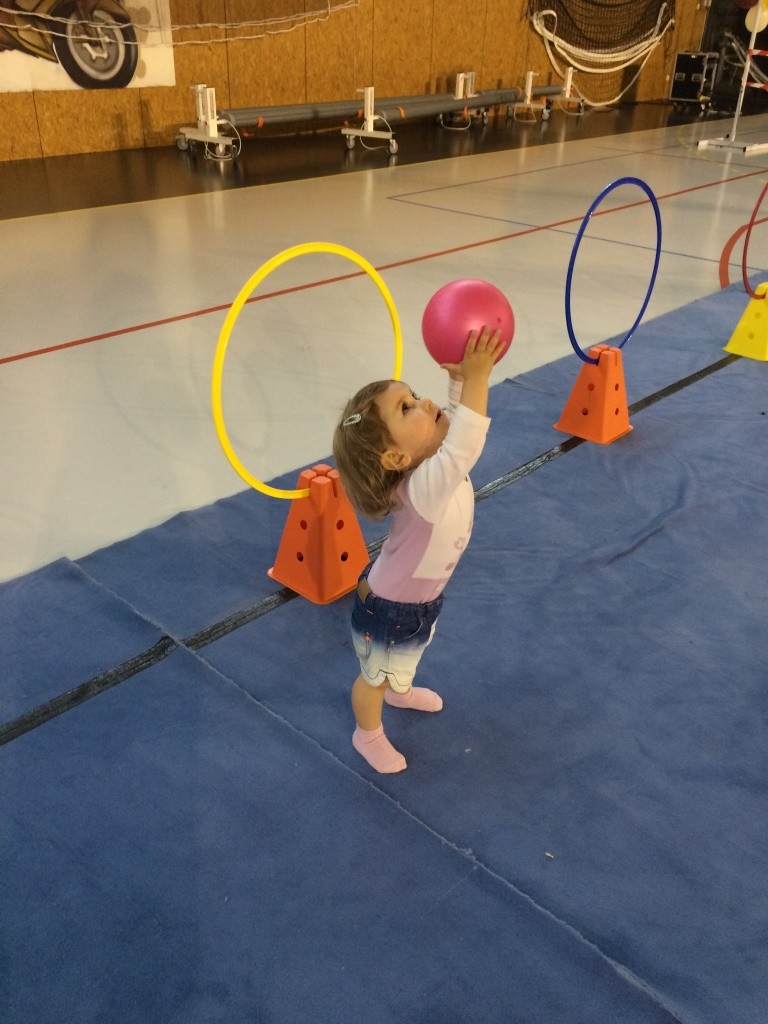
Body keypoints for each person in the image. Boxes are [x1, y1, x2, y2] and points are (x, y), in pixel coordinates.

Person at [332, 326, 502, 773]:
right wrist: (479, 378)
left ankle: (400, 688)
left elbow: (449, 419)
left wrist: (460, 381)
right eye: (406, 408)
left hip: (420, 603)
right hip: (390, 607)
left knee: (407, 655)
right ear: (394, 459)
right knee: (373, 679)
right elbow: (464, 440)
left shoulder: (428, 463)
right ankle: (366, 733)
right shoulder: (426, 486)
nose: (425, 404)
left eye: (415, 394)